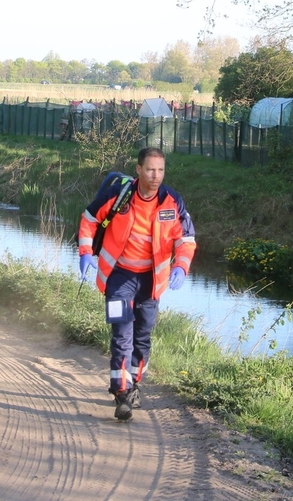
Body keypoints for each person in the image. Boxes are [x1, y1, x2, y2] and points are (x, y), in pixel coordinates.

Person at [77, 147, 196, 421]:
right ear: (139, 170)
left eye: (161, 170)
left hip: (151, 282)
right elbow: (89, 220)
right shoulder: (118, 197)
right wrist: (85, 254)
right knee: (122, 334)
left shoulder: (172, 202)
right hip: (119, 278)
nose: (156, 176)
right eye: (151, 170)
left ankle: (134, 384)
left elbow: (186, 239)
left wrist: (181, 265)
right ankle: (121, 392)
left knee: (142, 336)